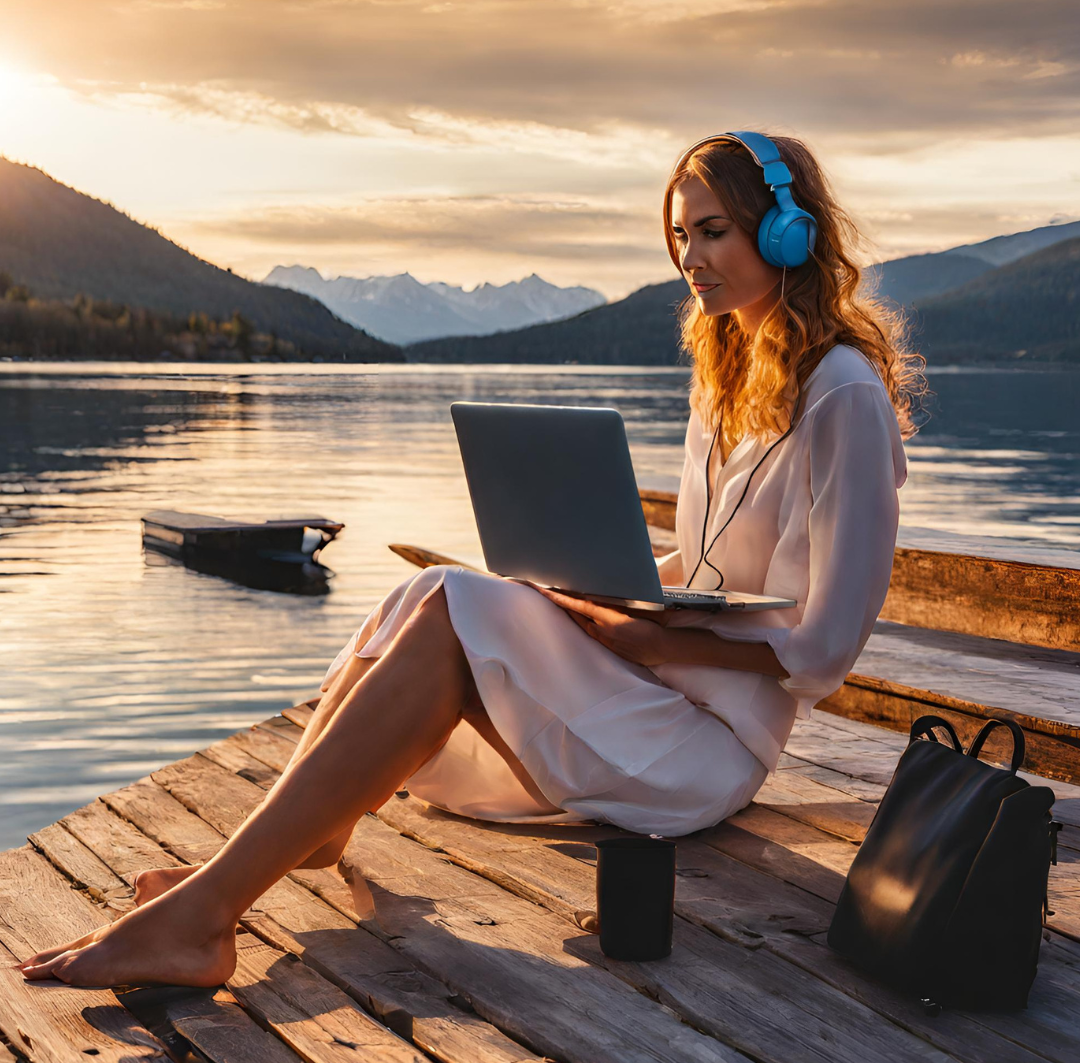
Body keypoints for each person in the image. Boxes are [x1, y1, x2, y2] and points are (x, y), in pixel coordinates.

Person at [19, 131, 925, 988]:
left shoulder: (843, 394)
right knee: (427, 587)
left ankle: (206, 912)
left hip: (712, 747)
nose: (691, 258)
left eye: (715, 232)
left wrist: (643, 641)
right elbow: (713, 557)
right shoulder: (729, 376)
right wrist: (601, 569)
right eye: (681, 236)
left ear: (787, 230)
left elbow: (826, 650)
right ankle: (280, 848)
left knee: (454, 598)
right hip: (650, 696)